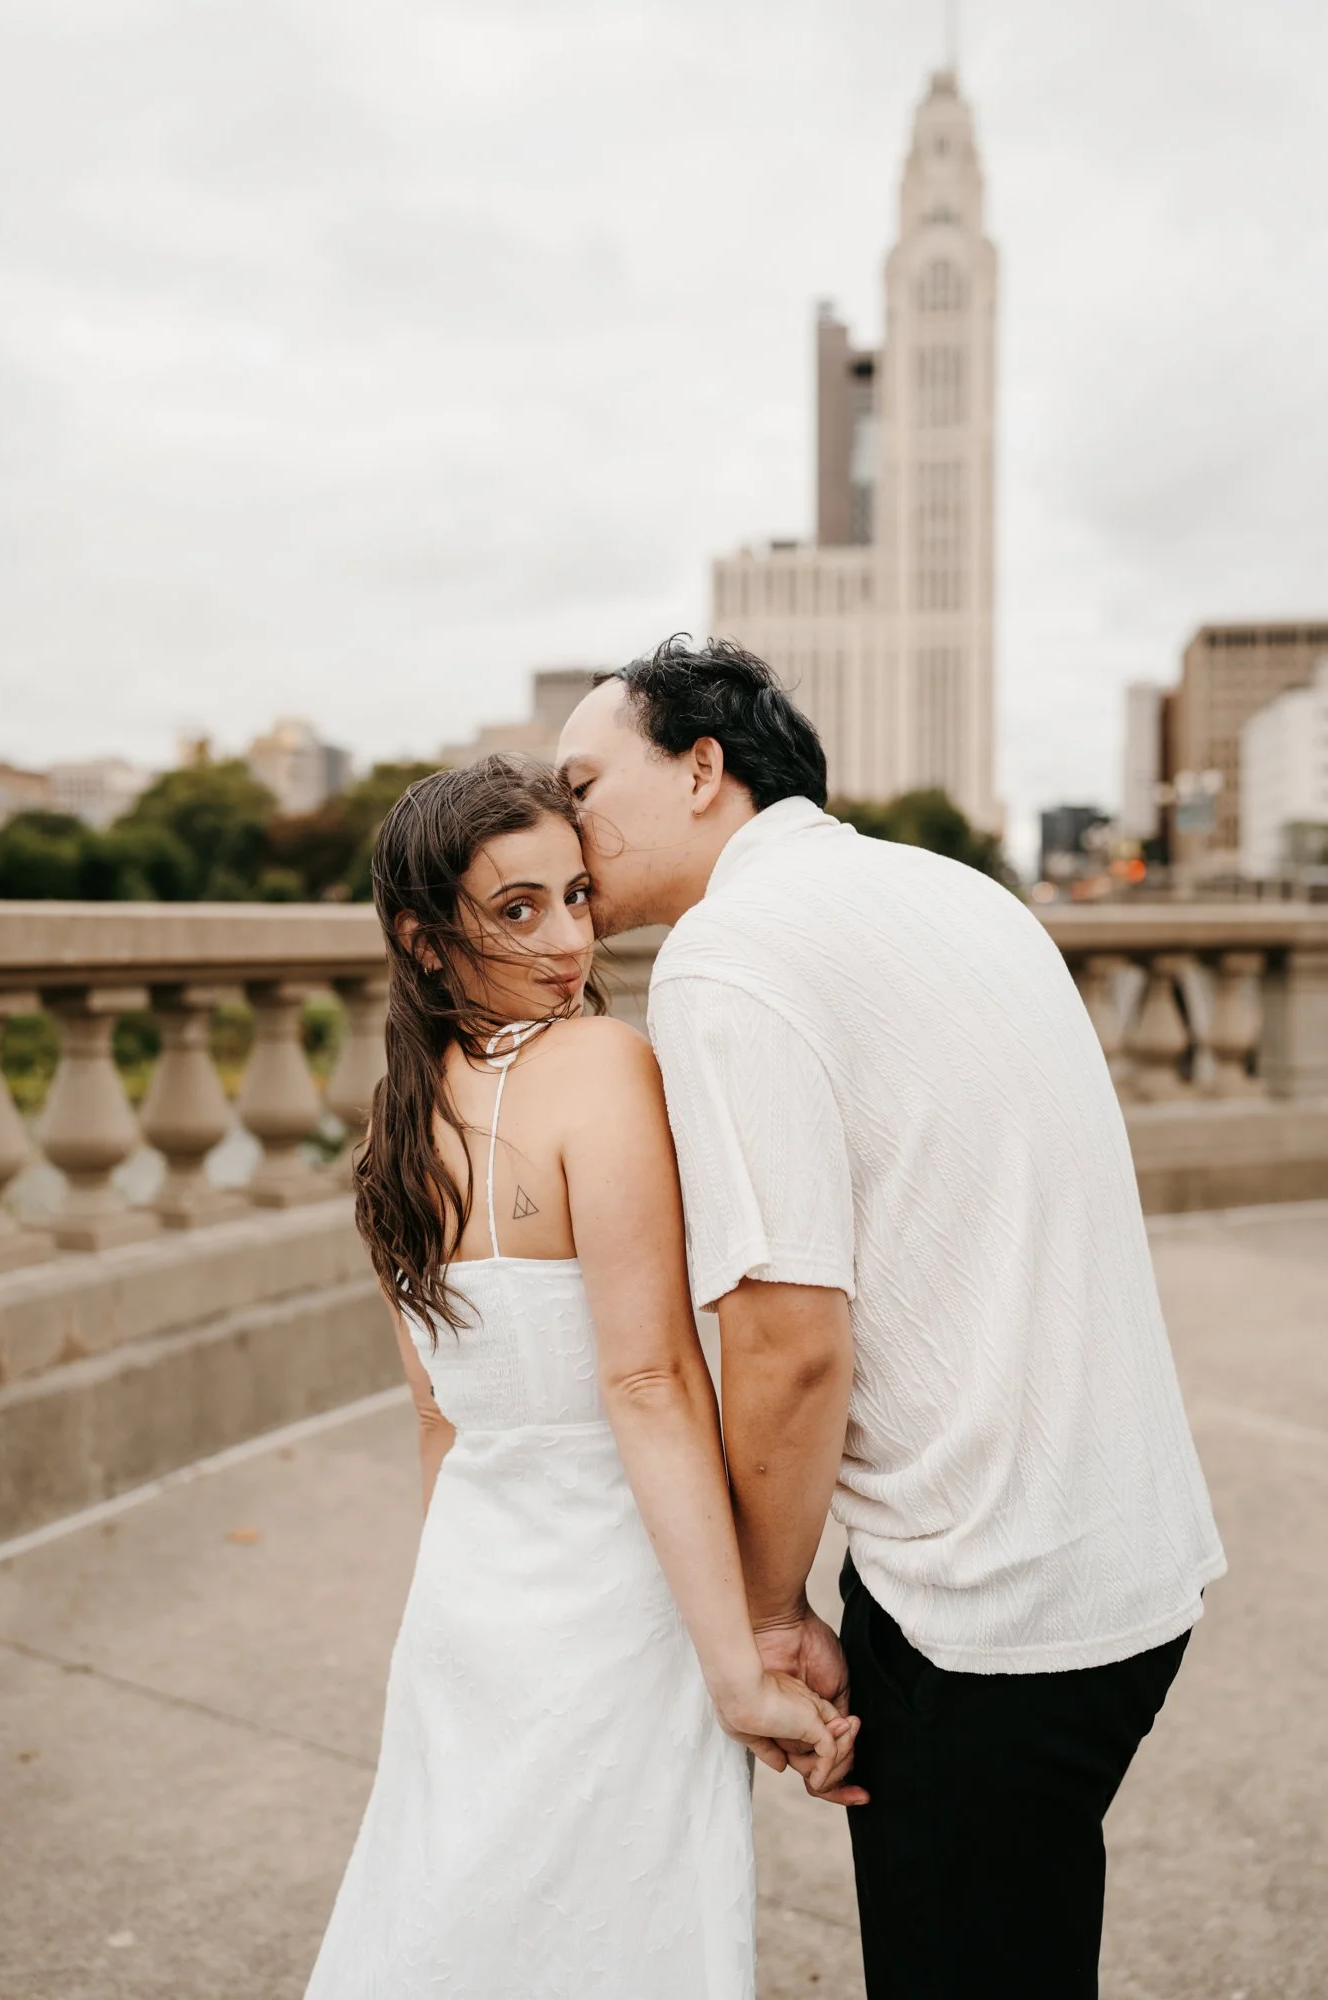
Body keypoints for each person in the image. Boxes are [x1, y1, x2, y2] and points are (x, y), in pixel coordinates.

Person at [557, 638, 1227, 2000]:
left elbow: (788, 1345)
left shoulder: (725, 958)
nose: (562, 823)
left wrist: (761, 1612)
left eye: (581, 782)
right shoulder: (952, 890)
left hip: (982, 1617)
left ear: (701, 768)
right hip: (1133, 1566)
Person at [304, 755, 856, 2000]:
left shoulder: (394, 1129)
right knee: (621, 1936)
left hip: (467, 1599)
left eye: (575, 894)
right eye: (516, 909)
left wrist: (453, 1615)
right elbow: (650, 1378)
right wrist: (735, 1656)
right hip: (622, 1596)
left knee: (456, 1916)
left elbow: (440, 1424)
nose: (568, 938)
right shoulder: (602, 1063)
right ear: (424, 939)